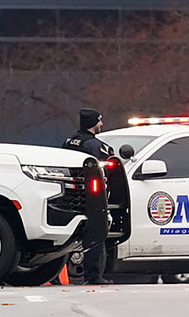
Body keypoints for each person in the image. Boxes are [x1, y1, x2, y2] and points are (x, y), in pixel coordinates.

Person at [63, 108, 114, 285]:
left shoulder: (70, 140)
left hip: (70, 194)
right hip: (91, 195)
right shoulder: (93, 145)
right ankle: (94, 276)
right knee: (96, 234)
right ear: (93, 123)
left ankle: (57, 276)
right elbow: (98, 169)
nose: (101, 124)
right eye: (99, 121)